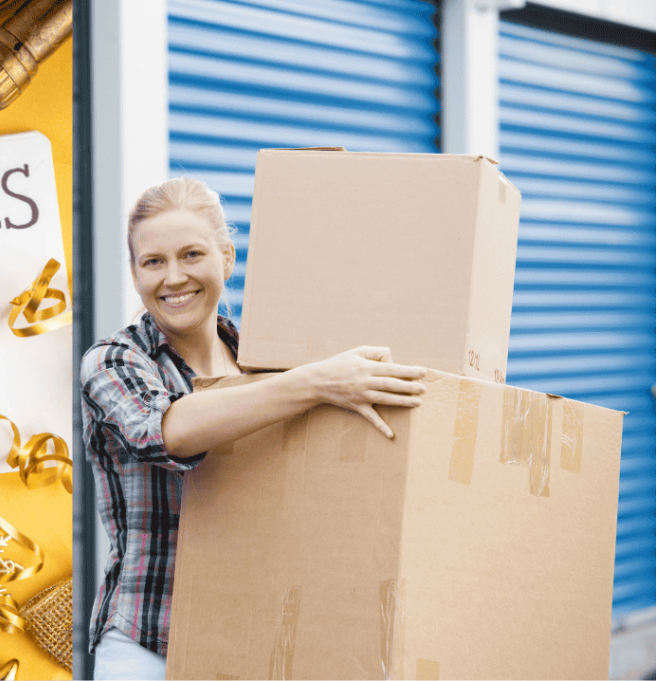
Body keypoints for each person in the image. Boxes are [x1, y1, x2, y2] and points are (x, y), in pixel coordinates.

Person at [80, 177, 427, 680]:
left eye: (192, 254)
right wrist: (317, 383)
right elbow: (165, 429)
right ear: (135, 274)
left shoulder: (266, 365)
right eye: (153, 262)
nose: (173, 277)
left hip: (252, 644)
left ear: (227, 258)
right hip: (149, 646)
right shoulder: (113, 361)